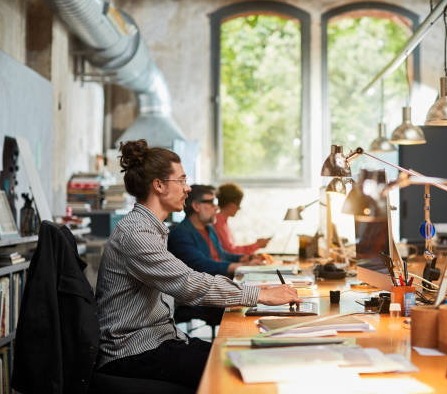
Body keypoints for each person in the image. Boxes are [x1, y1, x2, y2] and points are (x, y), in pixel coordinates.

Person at [95, 140, 300, 391]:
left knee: (241, 351)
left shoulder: (151, 228)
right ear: (158, 185)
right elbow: (189, 283)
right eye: (181, 180)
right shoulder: (137, 234)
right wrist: (260, 294)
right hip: (133, 351)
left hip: (160, 340)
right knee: (237, 370)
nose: (187, 188)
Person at [168, 184, 263, 277]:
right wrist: (243, 266)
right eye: (212, 202)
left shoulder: (209, 228)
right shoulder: (180, 233)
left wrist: (245, 258)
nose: (217, 208)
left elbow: (221, 255)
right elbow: (202, 264)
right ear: (196, 206)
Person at [213, 182, 271, 255]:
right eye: (238, 204)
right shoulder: (217, 223)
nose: (239, 209)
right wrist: (257, 245)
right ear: (231, 205)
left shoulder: (222, 222)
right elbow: (231, 251)